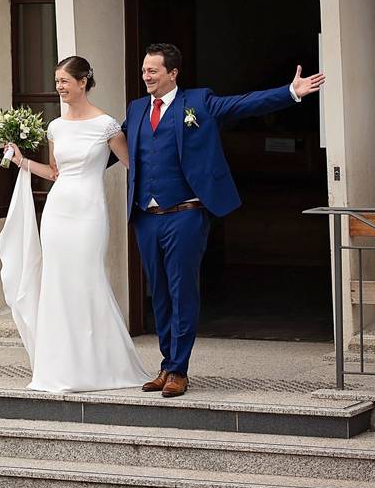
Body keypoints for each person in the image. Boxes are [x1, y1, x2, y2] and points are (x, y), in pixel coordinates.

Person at [125, 43, 324, 398]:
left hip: (185, 213)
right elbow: (113, 143)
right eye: (144, 70)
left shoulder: (199, 102)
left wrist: (290, 92)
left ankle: (178, 370)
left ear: (173, 73)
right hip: (146, 215)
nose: (146, 76)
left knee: (182, 290)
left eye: (153, 70)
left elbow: (244, 104)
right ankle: (166, 362)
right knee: (159, 294)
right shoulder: (137, 108)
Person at [0, 56, 148, 393]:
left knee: (88, 279)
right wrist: (22, 161)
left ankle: (100, 365)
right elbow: (55, 173)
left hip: (89, 212)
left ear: (83, 82)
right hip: (58, 211)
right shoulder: (56, 127)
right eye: (56, 82)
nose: (59, 87)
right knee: (57, 283)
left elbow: (133, 165)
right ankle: (60, 366)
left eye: (64, 81)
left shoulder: (107, 125)